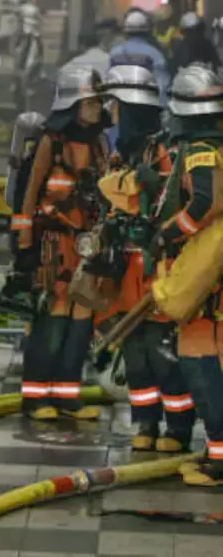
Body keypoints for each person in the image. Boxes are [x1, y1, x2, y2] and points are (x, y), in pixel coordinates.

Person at [100, 65, 195, 453]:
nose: (111, 113)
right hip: (127, 271)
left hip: (161, 266)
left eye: (116, 105)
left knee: (165, 352)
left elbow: (186, 202)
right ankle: (145, 423)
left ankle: (177, 429)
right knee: (135, 353)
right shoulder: (122, 153)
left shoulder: (169, 151)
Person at [10, 67, 109, 420]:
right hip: (53, 244)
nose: (98, 108)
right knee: (54, 317)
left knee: (81, 318)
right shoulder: (50, 143)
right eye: (91, 102)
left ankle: (68, 395)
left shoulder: (98, 143)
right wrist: (24, 246)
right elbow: (28, 195)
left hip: (87, 245)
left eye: (99, 102)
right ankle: (36, 396)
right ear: (73, 104)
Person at [151, 65, 223, 485]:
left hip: (207, 279)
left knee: (200, 363)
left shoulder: (200, 148)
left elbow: (204, 204)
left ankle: (218, 460)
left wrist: (167, 233)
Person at [109, 8, 170, 102]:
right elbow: (162, 86)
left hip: (118, 105)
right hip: (145, 105)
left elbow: (109, 81)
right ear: (147, 31)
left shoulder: (115, 52)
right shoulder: (155, 54)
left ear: (126, 31)